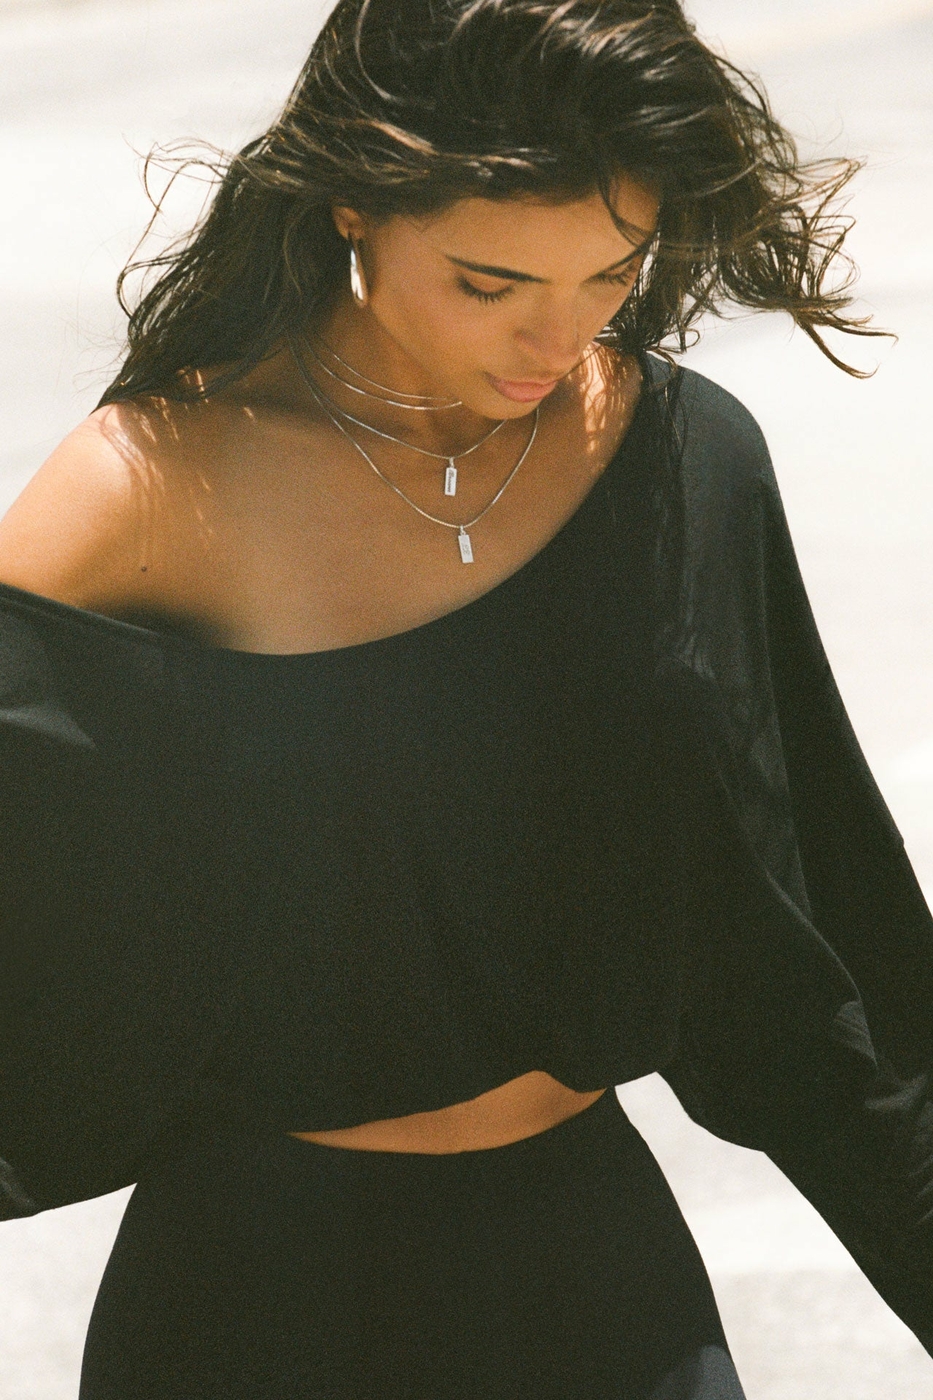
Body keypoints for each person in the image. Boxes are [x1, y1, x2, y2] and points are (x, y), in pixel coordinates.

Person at [0, 0, 930, 1395]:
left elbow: (829, 961)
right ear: (352, 208)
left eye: (611, 273)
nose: (557, 337)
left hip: (599, 1279)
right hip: (256, 1300)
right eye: (489, 284)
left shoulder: (681, 460)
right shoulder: (154, 486)